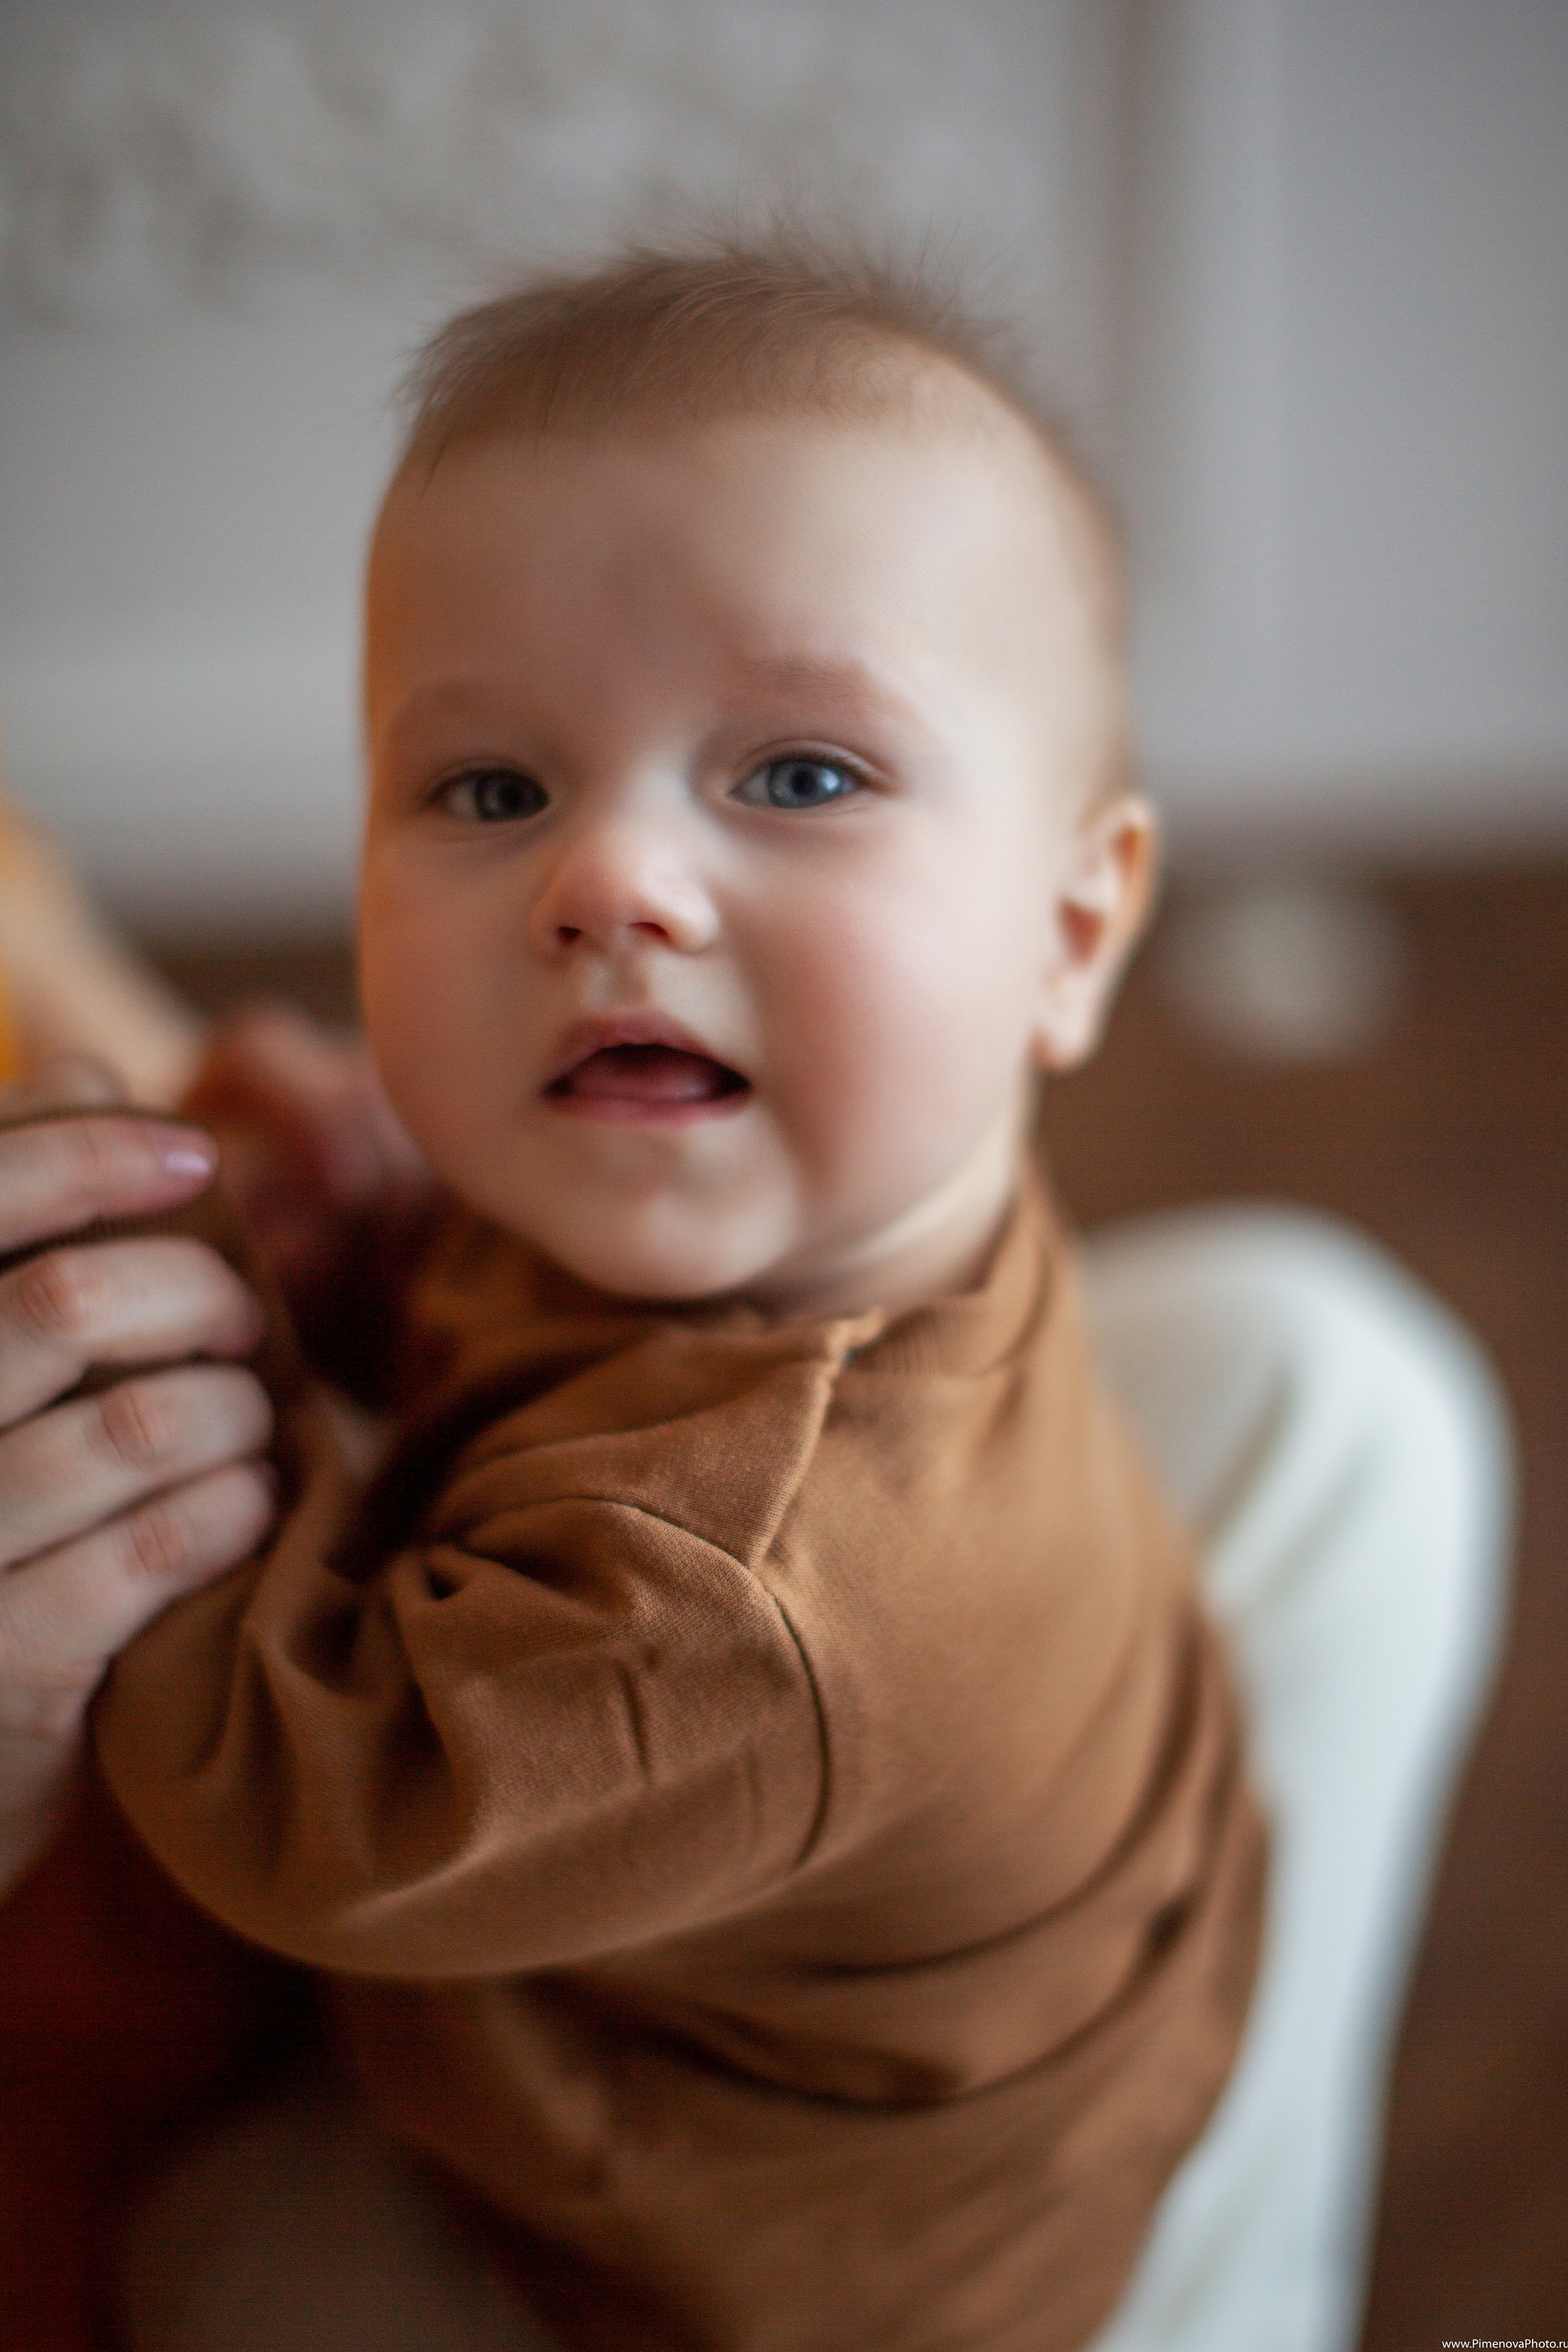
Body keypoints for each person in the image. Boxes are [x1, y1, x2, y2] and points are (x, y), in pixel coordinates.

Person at [0, 242, 1509, 2352]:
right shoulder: (805, 1198)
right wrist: (381, 1245)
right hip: (970, 2015)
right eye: (490, 789)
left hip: (740, 2278)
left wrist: (202, 1347)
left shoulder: (754, 1602)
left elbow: (319, 1809)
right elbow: (542, 1331)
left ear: (1072, 935)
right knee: (1309, 1377)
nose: (606, 880)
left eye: (799, 775)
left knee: (221, 2259)